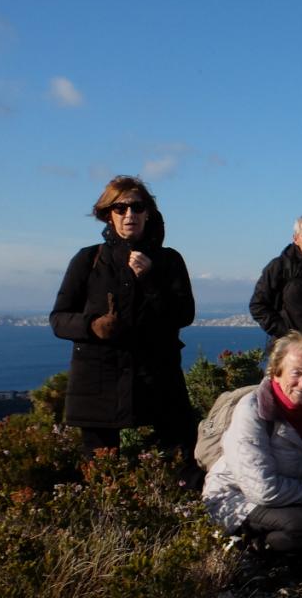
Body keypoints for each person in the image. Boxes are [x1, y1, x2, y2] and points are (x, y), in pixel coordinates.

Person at [50, 175, 197, 458]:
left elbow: (184, 314)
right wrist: (94, 326)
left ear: (148, 213)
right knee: (103, 474)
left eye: (137, 207)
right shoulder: (88, 260)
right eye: (120, 208)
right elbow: (58, 319)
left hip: (158, 379)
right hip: (99, 383)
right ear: (108, 215)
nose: (130, 214)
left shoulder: (169, 260)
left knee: (180, 460)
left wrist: (150, 280)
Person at [202, 332, 302, 557]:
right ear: (276, 372)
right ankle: (250, 549)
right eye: (296, 373)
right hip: (236, 497)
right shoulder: (253, 411)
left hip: (291, 495)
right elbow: (262, 489)